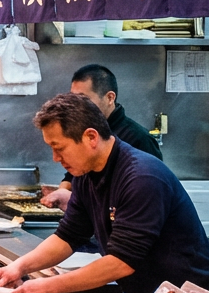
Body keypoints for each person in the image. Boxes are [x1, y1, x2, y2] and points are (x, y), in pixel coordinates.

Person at [0, 93, 209, 293]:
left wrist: (48, 287)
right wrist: (19, 267)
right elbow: (68, 237)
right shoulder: (85, 175)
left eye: (59, 148)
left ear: (91, 137)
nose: (55, 158)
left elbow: (121, 263)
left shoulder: (141, 177)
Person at [42, 64, 163, 209]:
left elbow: (147, 199)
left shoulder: (139, 139)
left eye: (84, 99)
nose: (76, 106)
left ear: (110, 97)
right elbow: (75, 175)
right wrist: (63, 191)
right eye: (73, 99)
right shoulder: (81, 131)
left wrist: (76, 200)